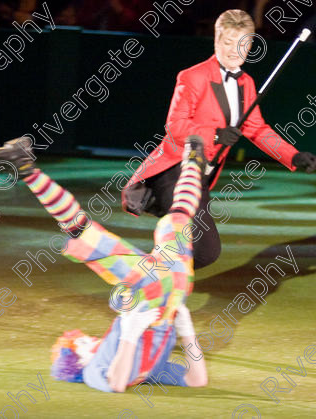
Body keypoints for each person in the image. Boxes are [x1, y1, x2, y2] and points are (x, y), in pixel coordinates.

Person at [0, 134, 208, 392]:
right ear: (78, 361)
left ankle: (25, 167)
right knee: (179, 216)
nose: (85, 338)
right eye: (79, 344)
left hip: (148, 290)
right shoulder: (94, 370)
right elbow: (192, 380)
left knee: (82, 230)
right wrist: (187, 333)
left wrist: (130, 331)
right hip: (171, 293)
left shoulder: (108, 355)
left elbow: (119, 378)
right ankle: (193, 163)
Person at [122, 9, 316, 269]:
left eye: (242, 45)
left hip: (200, 176)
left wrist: (292, 156)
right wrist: (214, 134)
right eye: (228, 43)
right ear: (216, 41)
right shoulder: (192, 76)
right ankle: (149, 282)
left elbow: (257, 129)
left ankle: (145, 277)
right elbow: (175, 126)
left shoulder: (246, 83)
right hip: (177, 170)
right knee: (203, 250)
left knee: (203, 252)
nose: (235, 51)